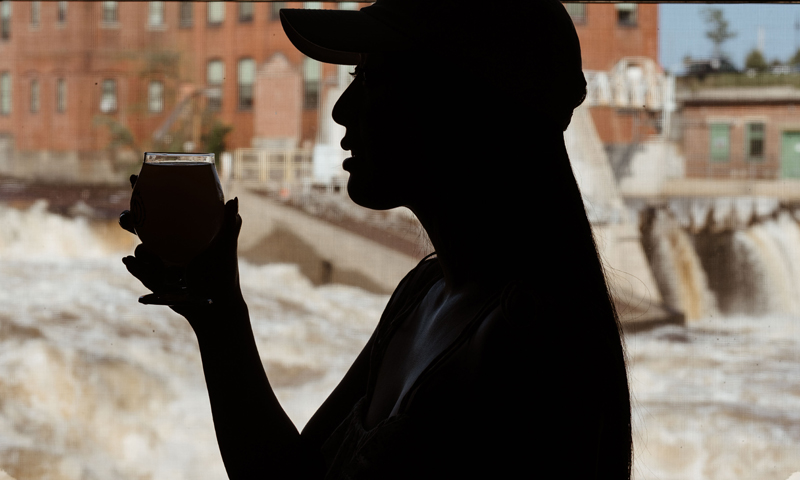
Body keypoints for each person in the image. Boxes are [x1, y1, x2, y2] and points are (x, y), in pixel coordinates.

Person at [121, 0, 632, 478]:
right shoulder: (426, 292)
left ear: (462, 105)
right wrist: (219, 316)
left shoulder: (531, 346)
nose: (341, 110)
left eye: (372, 79)